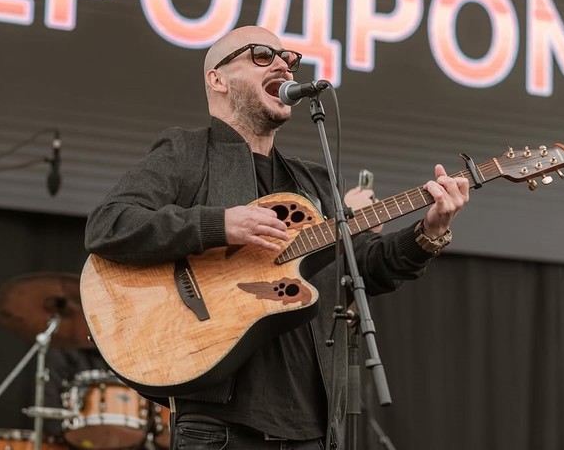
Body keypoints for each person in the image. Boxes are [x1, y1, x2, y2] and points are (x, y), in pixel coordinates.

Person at [84, 25, 469, 450]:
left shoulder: (315, 182)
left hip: (313, 430)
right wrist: (219, 224)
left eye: (289, 58)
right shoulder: (186, 153)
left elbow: (363, 268)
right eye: (263, 55)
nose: (284, 63)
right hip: (219, 430)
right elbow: (110, 223)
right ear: (218, 78)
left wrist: (430, 230)